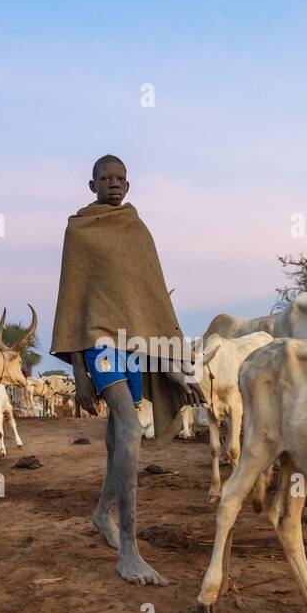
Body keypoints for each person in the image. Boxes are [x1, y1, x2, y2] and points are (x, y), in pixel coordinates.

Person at [50, 156, 197, 586]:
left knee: (119, 437)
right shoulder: (79, 231)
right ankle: (130, 548)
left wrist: (171, 365)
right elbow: (73, 300)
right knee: (132, 429)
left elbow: (148, 302)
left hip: (132, 347)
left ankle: (102, 513)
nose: (112, 184)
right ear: (91, 184)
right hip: (99, 343)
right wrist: (79, 370)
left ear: (128, 185)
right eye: (105, 179)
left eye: (119, 179)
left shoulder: (138, 231)